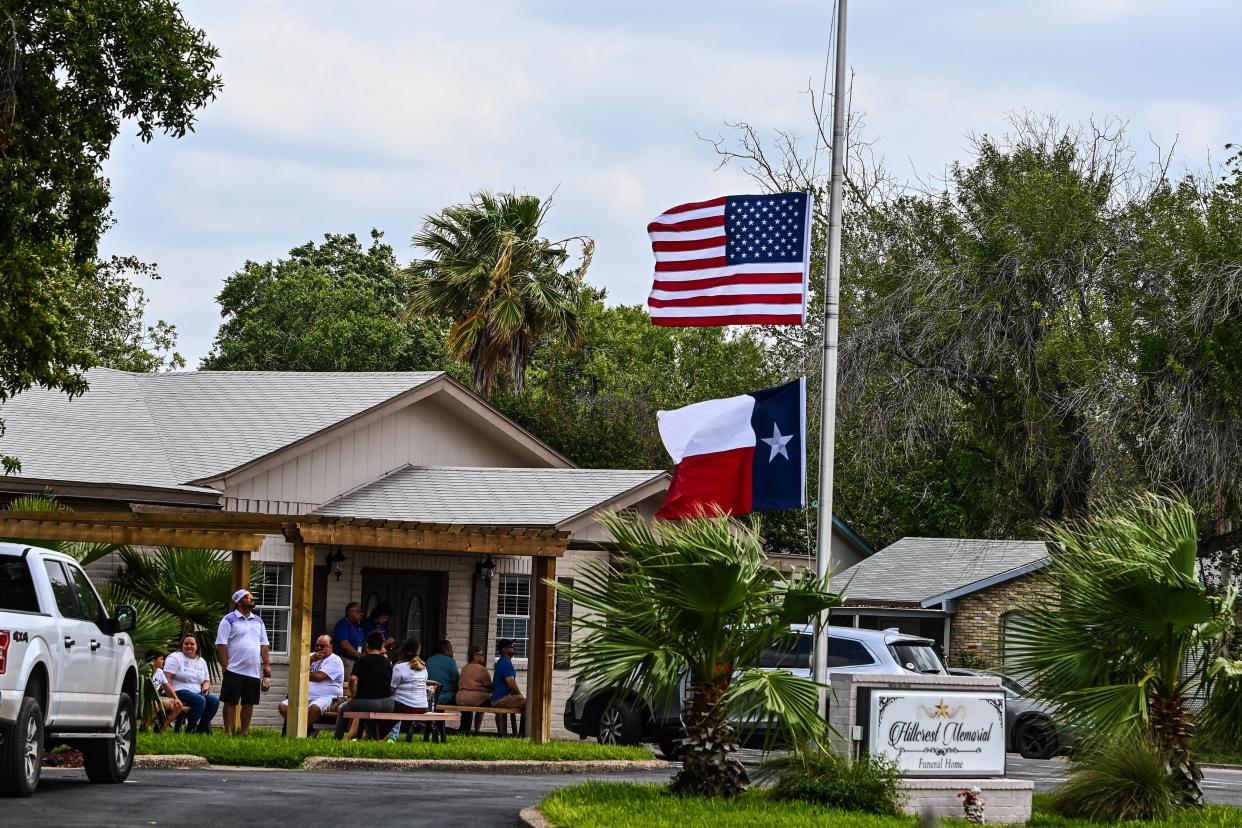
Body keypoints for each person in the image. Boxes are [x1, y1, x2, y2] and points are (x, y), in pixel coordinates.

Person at [215, 588, 271, 736]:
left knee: (249, 702)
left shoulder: (258, 621)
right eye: (248, 598)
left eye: (252, 598)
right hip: (234, 669)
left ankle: (244, 732)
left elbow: (263, 644)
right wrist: (225, 665)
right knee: (230, 701)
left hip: (253, 670)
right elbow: (221, 644)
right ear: (239, 602)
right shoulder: (228, 619)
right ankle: (228, 732)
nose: (252, 600)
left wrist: (266, 664)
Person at [334, 631, 394, 741]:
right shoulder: (387, 663)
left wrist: (353, 694)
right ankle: (372, 738)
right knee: (369, 712)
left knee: (343, 709)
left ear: (367, 645)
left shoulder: (362, 660)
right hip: (388, 703)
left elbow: (353, 679)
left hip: (366, 702)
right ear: (381, 647)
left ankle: (337, 739)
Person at [280, 634, 344, 735]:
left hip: (327, 697)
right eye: (317, 645)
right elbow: (295, 669)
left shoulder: (335, 660)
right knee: (283, 706)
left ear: (331, 647)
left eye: (322, 646)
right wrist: (311, 660)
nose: (319, 648)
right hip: (305, 695)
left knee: (314, 707)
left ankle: (301, 733)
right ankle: (309, 731)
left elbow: (318, 677)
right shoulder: (310, 656)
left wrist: (301, 673)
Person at [162, 633, 219, 733]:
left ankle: (200, 731)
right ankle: (189, 731)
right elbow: (166, 678)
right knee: (200, 701)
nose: (189, 646)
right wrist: (172, 696)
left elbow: (206, 680)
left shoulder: (201, 661)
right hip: (178, 691)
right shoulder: (175, 658)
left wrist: (205, 688)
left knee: (214, 701)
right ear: (182, 646)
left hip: (197, 692)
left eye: (192, 644)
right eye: (186, 643)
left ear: (197, 647)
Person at [388, 638, 438, 741]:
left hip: (405, 707)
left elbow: (391, 690)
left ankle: (388, 738)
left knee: (392, 703)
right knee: (397, 703)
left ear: (403, 650)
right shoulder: (423, 668)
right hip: (422, 707)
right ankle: (391, 737)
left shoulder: (398, 667)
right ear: (418, 651)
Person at [490, 638, 525, 736]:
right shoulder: (505, 662)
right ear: (504, 650)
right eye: (510, 646)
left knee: (525, 704)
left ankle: (516, 734)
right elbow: (511, 685)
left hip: (500, 699)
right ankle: (524, 734)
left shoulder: (503, 661)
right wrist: (519, 695)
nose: (513, 647)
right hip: (500, 700)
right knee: (530, 705)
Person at [455, 643, 492, 734]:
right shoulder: (482, 669)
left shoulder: (464, 668)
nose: (484, 656)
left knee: (467, 715)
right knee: (491, 702)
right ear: (475, 656)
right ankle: (477, 731)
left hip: (459, 699)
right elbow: (490, 686)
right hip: (475, 700)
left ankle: (464, 730)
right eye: (482, 654)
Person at [145, 650, 185, 732]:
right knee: (155, 705)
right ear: (153, 660)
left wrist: (176, 699)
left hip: (156, 699)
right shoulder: (144, 671)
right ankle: (144, 729)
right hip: (145, 700)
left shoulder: (159, 672)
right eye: (161, 659)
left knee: (178, 706)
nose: (164, 661)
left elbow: (167, 687)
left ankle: (160, 730)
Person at [332, 601, 366, 677]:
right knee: (348, 685)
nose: (361, 614)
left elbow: (363, 642)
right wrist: (360, 655)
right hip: (346, 660)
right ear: (350, 612)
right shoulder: (343, 624)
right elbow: (344, 644)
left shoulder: (358, 626)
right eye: (359, 611)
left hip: (357, 660)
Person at [426, 639, 459, 709]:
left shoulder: (429, 660)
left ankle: (439, 720)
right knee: (465, 699)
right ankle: (466, 720)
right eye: (451, 649)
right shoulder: (451, 661)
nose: (453, 651)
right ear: (445, 650)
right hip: (446, 698)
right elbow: (456, 682)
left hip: (430, 697)